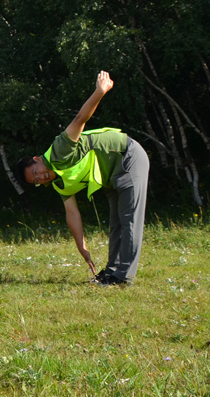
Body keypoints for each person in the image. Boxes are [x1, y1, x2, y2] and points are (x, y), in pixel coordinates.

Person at [15, 71, 150, 286]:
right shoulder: (59, 184)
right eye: (37, 181)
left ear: (37, 159)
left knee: (129, 221)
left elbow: (80, 119)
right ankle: (112, 272)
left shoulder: (59, 150)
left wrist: (100, 91)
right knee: (116, 224)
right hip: (110, 176)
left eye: (36, 172)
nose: (41, 177)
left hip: (128, 157)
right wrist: (83, 248)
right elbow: (72, 214)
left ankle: (123, 277)